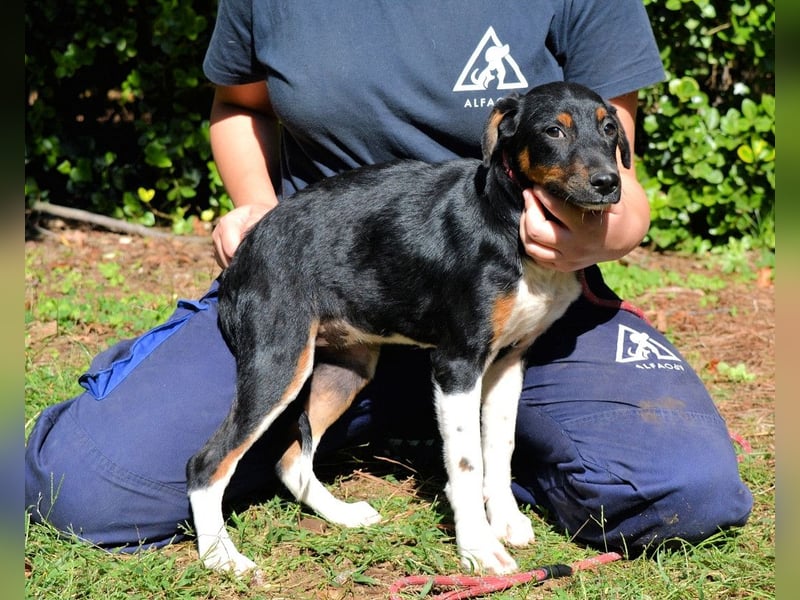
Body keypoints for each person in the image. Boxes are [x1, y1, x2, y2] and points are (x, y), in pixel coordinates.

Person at [26, 0, 752, 558]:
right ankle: (326, 440)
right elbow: (238, 104)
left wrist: (602, 235)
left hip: (531, 287)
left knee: (688, 488)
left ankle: (459, 452)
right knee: (82, 486)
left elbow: (614, 173)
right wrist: (258, 208)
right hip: (323, 271)